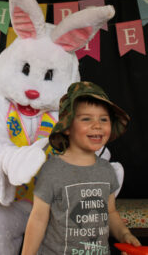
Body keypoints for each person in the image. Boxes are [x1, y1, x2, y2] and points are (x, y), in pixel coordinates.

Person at [21, 81, 140, 255]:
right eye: (86, 119)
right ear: (67, 126)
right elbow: (38, 218)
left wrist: (124, 234)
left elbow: (111, 212)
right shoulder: (52, 170)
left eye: (103, 119)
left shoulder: (106, 170)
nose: (97, 125)